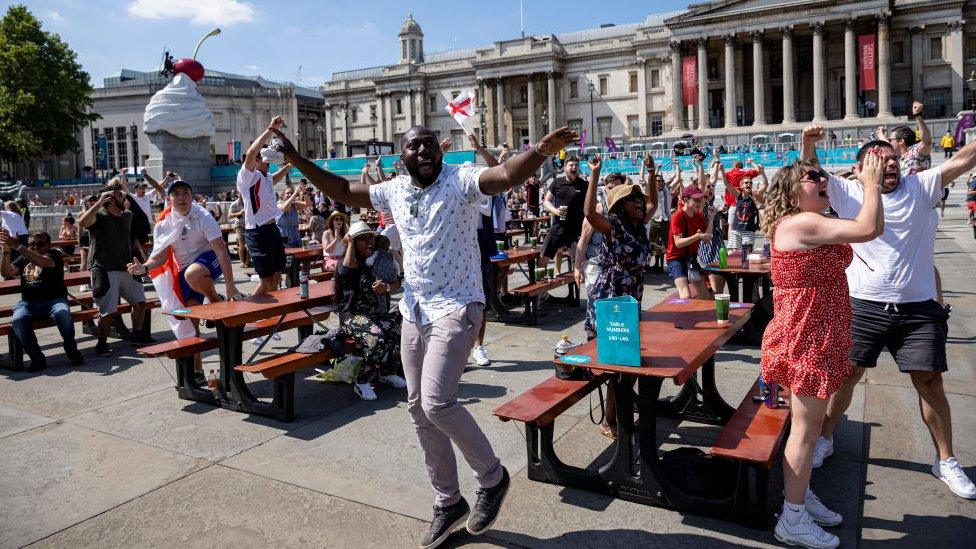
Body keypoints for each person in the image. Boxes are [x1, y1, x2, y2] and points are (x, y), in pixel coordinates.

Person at [275, 122, 578, 548]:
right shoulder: (395, 188)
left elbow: (506, 175)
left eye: (430, 144)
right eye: (414, 145)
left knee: (438, 402)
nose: (423, 150)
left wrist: (542, 151)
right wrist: (294, 159)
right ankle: (447, 501)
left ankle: (491, 478)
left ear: (440, 151)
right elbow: (343, 191)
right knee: (418, 409)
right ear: (403, 154)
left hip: (457, 305)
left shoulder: (462, 181)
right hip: (414, 310)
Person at [802, 125, 976, 501]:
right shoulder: (849, 192)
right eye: (880, 161)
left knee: (930, 382)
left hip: (918, 308)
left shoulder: (922, 185)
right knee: (846, 376)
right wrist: (808, 144)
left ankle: (945, 460)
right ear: (862, 167)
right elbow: (810, 172)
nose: (890, 166)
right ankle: (825, 438)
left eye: (894, 159)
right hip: (863, 304)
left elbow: (964, 159)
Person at [759, 144, 885, 548]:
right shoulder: (799, 224)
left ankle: (800, 495)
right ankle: (791, 519)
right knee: (804, 430)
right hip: (807, 334)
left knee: (810, 428)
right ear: (792, 190)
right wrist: (871, 183)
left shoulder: (806, 219)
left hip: (817, 329)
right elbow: (869, 228)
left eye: (822, 175)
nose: (822, 179)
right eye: (812, 177)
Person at [128, 179, 245, 378]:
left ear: (192, 196)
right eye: (176, 194)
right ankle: (197, 370)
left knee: (194, 273)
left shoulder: (203, 215)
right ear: (169, 198)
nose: (182, 198)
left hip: (210, 260)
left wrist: (230, 287)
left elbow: (221, 250)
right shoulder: (163, 224)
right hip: (184, 272)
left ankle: (216, 301)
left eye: (185, 193)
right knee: (190, 323)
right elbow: (160, 257)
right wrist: (144, 267)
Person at [580, 155, 656, 439]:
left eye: (638, 198)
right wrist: (595, 174)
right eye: (632, 199)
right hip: (611, 297)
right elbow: (588, 212)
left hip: (631, 297)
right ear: (620, 206)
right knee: (616, 360)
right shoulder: (613, 224)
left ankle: (619, 413)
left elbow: (653, 204)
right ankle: (611, 420)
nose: (638, 202)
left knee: (626, 359)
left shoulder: (638, 225)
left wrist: (650, 172)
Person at [334, 221, 406, 400]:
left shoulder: (373, 260)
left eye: (370, 239)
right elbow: (344, 272)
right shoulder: (347, 263)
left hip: (372, 315)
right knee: (376, 337)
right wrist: (349, 243)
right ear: (353, 242)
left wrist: (386, 288)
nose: (369, 243)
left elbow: (397, 282)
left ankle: (387, 372)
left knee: (397, 331)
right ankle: (363, 381)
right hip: (352, 317)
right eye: (363, 239)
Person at [77, 179, 150, 356]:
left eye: (123, 195)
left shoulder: (127, 216)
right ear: (109, 200)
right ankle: (101, 343)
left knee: (140, 303)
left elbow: (140, 213)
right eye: (119, 195)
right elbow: (82, 223)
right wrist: (99, 203)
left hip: (126, 268)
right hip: (103, 268)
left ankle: (136, 335)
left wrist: (123, 192)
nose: (124, 197)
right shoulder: (99, 217)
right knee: (108, 311)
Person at [0, 230, 85, 370]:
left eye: (40, 244)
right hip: (29, 303)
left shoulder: (54, 254)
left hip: (54, 300)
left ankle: (72, 350)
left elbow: (46, 262)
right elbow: (6, 273)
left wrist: (19, 246)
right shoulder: (23, 258)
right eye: (32, 244)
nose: (35, 247)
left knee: (62, 313)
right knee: (17, 320)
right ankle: (37, 358)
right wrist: (6, 251)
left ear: (49, 245)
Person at [237, 115, 293, 296]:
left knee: (278, 275)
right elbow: (252, 152)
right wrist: (270, 129)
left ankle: (269, 315)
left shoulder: (265, 176)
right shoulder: (248, 176)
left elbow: (274, 179)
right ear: (257, 161)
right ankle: (251, 312)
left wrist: (290, 165)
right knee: (266, 280)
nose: (267, 159)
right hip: (257, 232)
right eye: (263, 157)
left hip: (272, 230)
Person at [539, 157, 586, 272]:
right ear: (565, 168)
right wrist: (555, 211)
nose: (574, 167)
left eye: (576, 165)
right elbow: (546, 201)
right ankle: (540, 281)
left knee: (579, 262)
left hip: (576, 229)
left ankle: (578, 286)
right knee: (544, 255)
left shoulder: (584, 184)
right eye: (571, 165)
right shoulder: (557, 182)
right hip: (559, 226)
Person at [666, 186, 710, 299]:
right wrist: (696, 236)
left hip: (691, 258)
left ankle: (701, 315)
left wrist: (712, 218)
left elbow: (707, 237)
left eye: (700, 199)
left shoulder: (698, 216)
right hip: (675, 259)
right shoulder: (677, 216)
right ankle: (683, 315)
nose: (699, 202)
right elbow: (678, 243)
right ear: (685, 200)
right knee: (685, 295)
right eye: (696, 199)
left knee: (705, 295)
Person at [727, 177, 762, 249]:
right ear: (741, 185)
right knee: (734, 253)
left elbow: (765, 187)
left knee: (747, 253)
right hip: (736, 230)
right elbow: (727, 185)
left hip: (748, 230)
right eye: (746, 183)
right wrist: (722, 171)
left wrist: (763, 174)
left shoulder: (754, 196)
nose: (749, 184)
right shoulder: (738, 196)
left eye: (750, 183)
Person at [276, 183, 307, 247]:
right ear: (283, 195)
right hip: (284, 239)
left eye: (291, 193)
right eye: (287, 193)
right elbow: (284, 208)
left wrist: (305, 193)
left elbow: (308, 204)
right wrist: (295, 193)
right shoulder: (279, 205)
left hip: (295, 237)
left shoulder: (294, 205)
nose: (290, 195)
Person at [227, 192, 250, 267]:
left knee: (249, 244)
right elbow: (229, 215)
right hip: (239, 225)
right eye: (240, 193)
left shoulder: (248, 202)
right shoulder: (234, 204)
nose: (242, 194)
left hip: (248, 225)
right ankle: (242, 262)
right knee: (241, 245)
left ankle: (247, 262)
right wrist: (239, 213)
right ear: (238, 194)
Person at [967, 171, 976, 239]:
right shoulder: (974, 182)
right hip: (972, 201)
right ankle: (970, 220)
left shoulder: (972, 182)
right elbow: (969, 192)